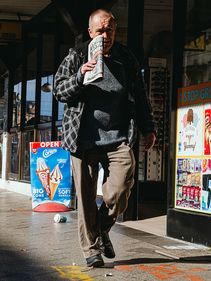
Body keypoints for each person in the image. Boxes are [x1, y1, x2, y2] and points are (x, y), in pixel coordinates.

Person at [53, 9, 156, 268]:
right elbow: (58, 90)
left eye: (109, 30)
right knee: (86, 199)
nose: (105, 35)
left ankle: (101, 228)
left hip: (118, 138)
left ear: (115, 31)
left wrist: (148, 127)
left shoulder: (126, 59)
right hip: (83, 139)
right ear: (90, 33)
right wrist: (80, 77)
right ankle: (91, 250)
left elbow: (140, 96)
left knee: (120, 191)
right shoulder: (77, 55)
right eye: (100, 31)